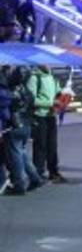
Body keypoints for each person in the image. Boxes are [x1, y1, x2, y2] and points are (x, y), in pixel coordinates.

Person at [1, 66, 41, 195]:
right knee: (22, 153)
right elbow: (33, 102)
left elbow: (5, 110)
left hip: (13, 125)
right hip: (26, 124)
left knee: (16, 156)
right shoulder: (25, 90)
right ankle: (34, 177)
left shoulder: (8, 91)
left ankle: (20, 184)